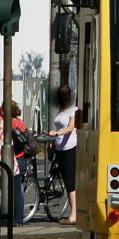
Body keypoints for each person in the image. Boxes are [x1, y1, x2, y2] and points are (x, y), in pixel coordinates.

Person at [48, 85, 78, 225]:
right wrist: (54, 141)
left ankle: (74, 215)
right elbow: (60, 126)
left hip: (69, 148)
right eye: (60, 95)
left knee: (70, 181)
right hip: (60, 148)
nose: (62, 97)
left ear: (69, 96)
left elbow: (71, 127)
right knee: (65, 180)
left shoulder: (74, 110)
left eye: (65, 95)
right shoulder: (61, 111)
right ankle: (73, 212)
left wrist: (58, 133)